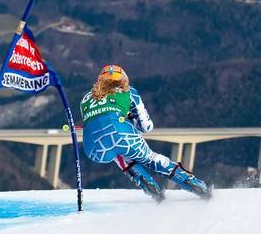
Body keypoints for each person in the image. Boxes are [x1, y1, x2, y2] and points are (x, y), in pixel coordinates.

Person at [80, 64, 212, 201]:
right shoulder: (129, 92)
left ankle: (146, 183)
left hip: (94, 150)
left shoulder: (86, 99)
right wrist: (130, 118)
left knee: (118, 154)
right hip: (123, 136)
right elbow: (146, 126)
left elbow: (93, 123)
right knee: (150, 159)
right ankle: (193, 183)